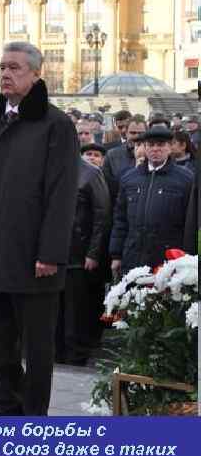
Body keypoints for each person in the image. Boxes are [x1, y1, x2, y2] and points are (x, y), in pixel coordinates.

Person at [0, 42, 79, 416]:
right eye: (2, 68)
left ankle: (34, 418)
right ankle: (7, 410)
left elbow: (62, 195)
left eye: (15, 68)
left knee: (38, 348)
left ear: (36, 74)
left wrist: (51, 252)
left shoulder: (56, 124)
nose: (6, 74)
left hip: (34, 258)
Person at [109, 125, 194, 275]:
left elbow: (190, 223)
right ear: (145, 147)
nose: (155, 149)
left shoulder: (186, 179)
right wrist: (116, 255)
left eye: (160, 144)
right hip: (133, 257)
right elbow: (120, 219)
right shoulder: (129, 178)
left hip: (168, 260)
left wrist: (187, 259)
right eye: (151, 145)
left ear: (169, 147)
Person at [57, 155, 111, 366]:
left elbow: (102, 216)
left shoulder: (91, 173)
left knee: (76, 309)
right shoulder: (51, 167)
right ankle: (58, 351)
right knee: (57, 309)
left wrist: (93, 253)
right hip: (55, 252)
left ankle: (76, 353)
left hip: (79, 254)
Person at [102, 119, 147, 204]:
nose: (137, 136)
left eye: (141, 133)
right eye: (133, 133)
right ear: (126, 133)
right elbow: (106, 187)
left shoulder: (154, 155)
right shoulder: (112, 155)